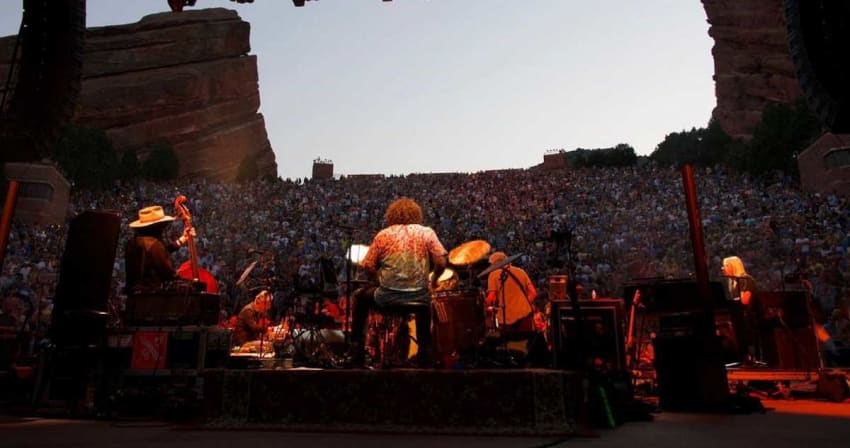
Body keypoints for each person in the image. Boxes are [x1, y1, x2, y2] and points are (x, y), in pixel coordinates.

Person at [348, 197, 448, 368]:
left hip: (387, 297)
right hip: (418, 296)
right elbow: (441, 263)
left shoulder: (383, 235)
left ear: (391, 215)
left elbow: (368, 266)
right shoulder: (426, 232)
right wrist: (434, 281)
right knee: (425, 302)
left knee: (359, 297)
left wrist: (378, 282)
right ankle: (425, 354)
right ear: (417, 214)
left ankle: (357, 354)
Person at [484, 252, 541, 363]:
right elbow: (533, 293)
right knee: (526, 344)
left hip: (506, 317)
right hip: (525, 314)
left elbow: (491, 297)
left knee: (509, 346)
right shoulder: (521, 272)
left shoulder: (494, 275)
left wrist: (482, 303)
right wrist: (522, 304)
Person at [124, 205, 194, 295]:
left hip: (133, 296)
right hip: (150, 297)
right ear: (157, 227)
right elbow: (168, 274)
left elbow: (156, 255)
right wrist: (189, 283)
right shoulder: (155, 244)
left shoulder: (131, 243)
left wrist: (182, 239)